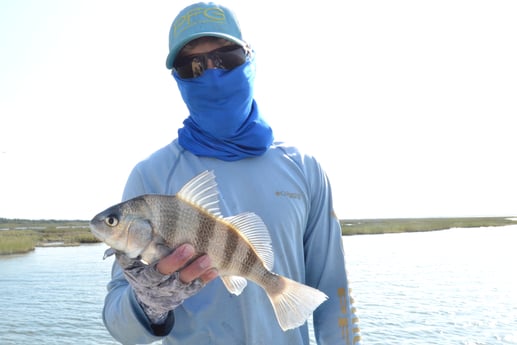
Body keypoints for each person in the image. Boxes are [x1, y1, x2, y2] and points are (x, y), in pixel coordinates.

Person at [101, 2, 360, 344]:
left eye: (227, 58)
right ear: (178, 78)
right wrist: (149, 304)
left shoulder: (304, 168)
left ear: (250, 59)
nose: (211, 74)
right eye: (192, 66)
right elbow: (119, 325)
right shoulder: (151, 176)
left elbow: (333, 290)